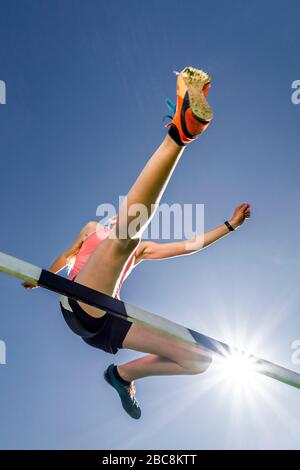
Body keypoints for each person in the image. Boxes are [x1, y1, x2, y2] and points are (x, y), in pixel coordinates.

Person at [24, 67, 251, 419]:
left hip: (109, 316)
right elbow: (68, 257)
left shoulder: (138, 249)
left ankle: (123, 376)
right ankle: (180, 135)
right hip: (79, 303)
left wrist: (229, 226)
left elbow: (189, 245)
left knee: (200, 359)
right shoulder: (95, 229)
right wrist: (40, 276)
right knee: (123, 241)